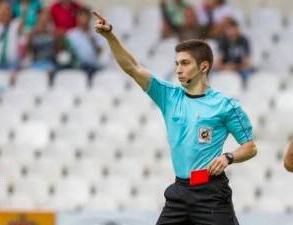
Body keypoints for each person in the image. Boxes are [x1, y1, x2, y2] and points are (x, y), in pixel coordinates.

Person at [93, 11, 257, 225]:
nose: (178, 69)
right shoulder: (168, 95)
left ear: (204, 66)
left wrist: (228, 157)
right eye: (177, 63)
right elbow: (133, 68)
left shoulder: (226, 105)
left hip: (211, 193)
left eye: (185, 63)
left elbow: (250, 147)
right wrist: (110, 37)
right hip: (179, 192)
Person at [65, 7, 102, 85]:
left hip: (93, 67)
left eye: (84, 16)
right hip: (76, 67)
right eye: (80, 16)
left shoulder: (96, 34)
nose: (82, 19)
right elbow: (67, 52)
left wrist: (92, 41)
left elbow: (100, 52)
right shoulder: (71, 34)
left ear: (89, 18)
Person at [214, 17, 254, 87]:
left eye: (232, 28)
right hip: (225, 67)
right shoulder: (222, 41)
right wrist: (225, 67)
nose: (230, 31)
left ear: (237, 29)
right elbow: (218, 62)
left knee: (247, 74)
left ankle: (244, 91)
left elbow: (246, 62)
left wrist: (235, 67)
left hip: (239, 68)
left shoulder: (243, 41)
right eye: (228, 29)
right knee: (213, 74)